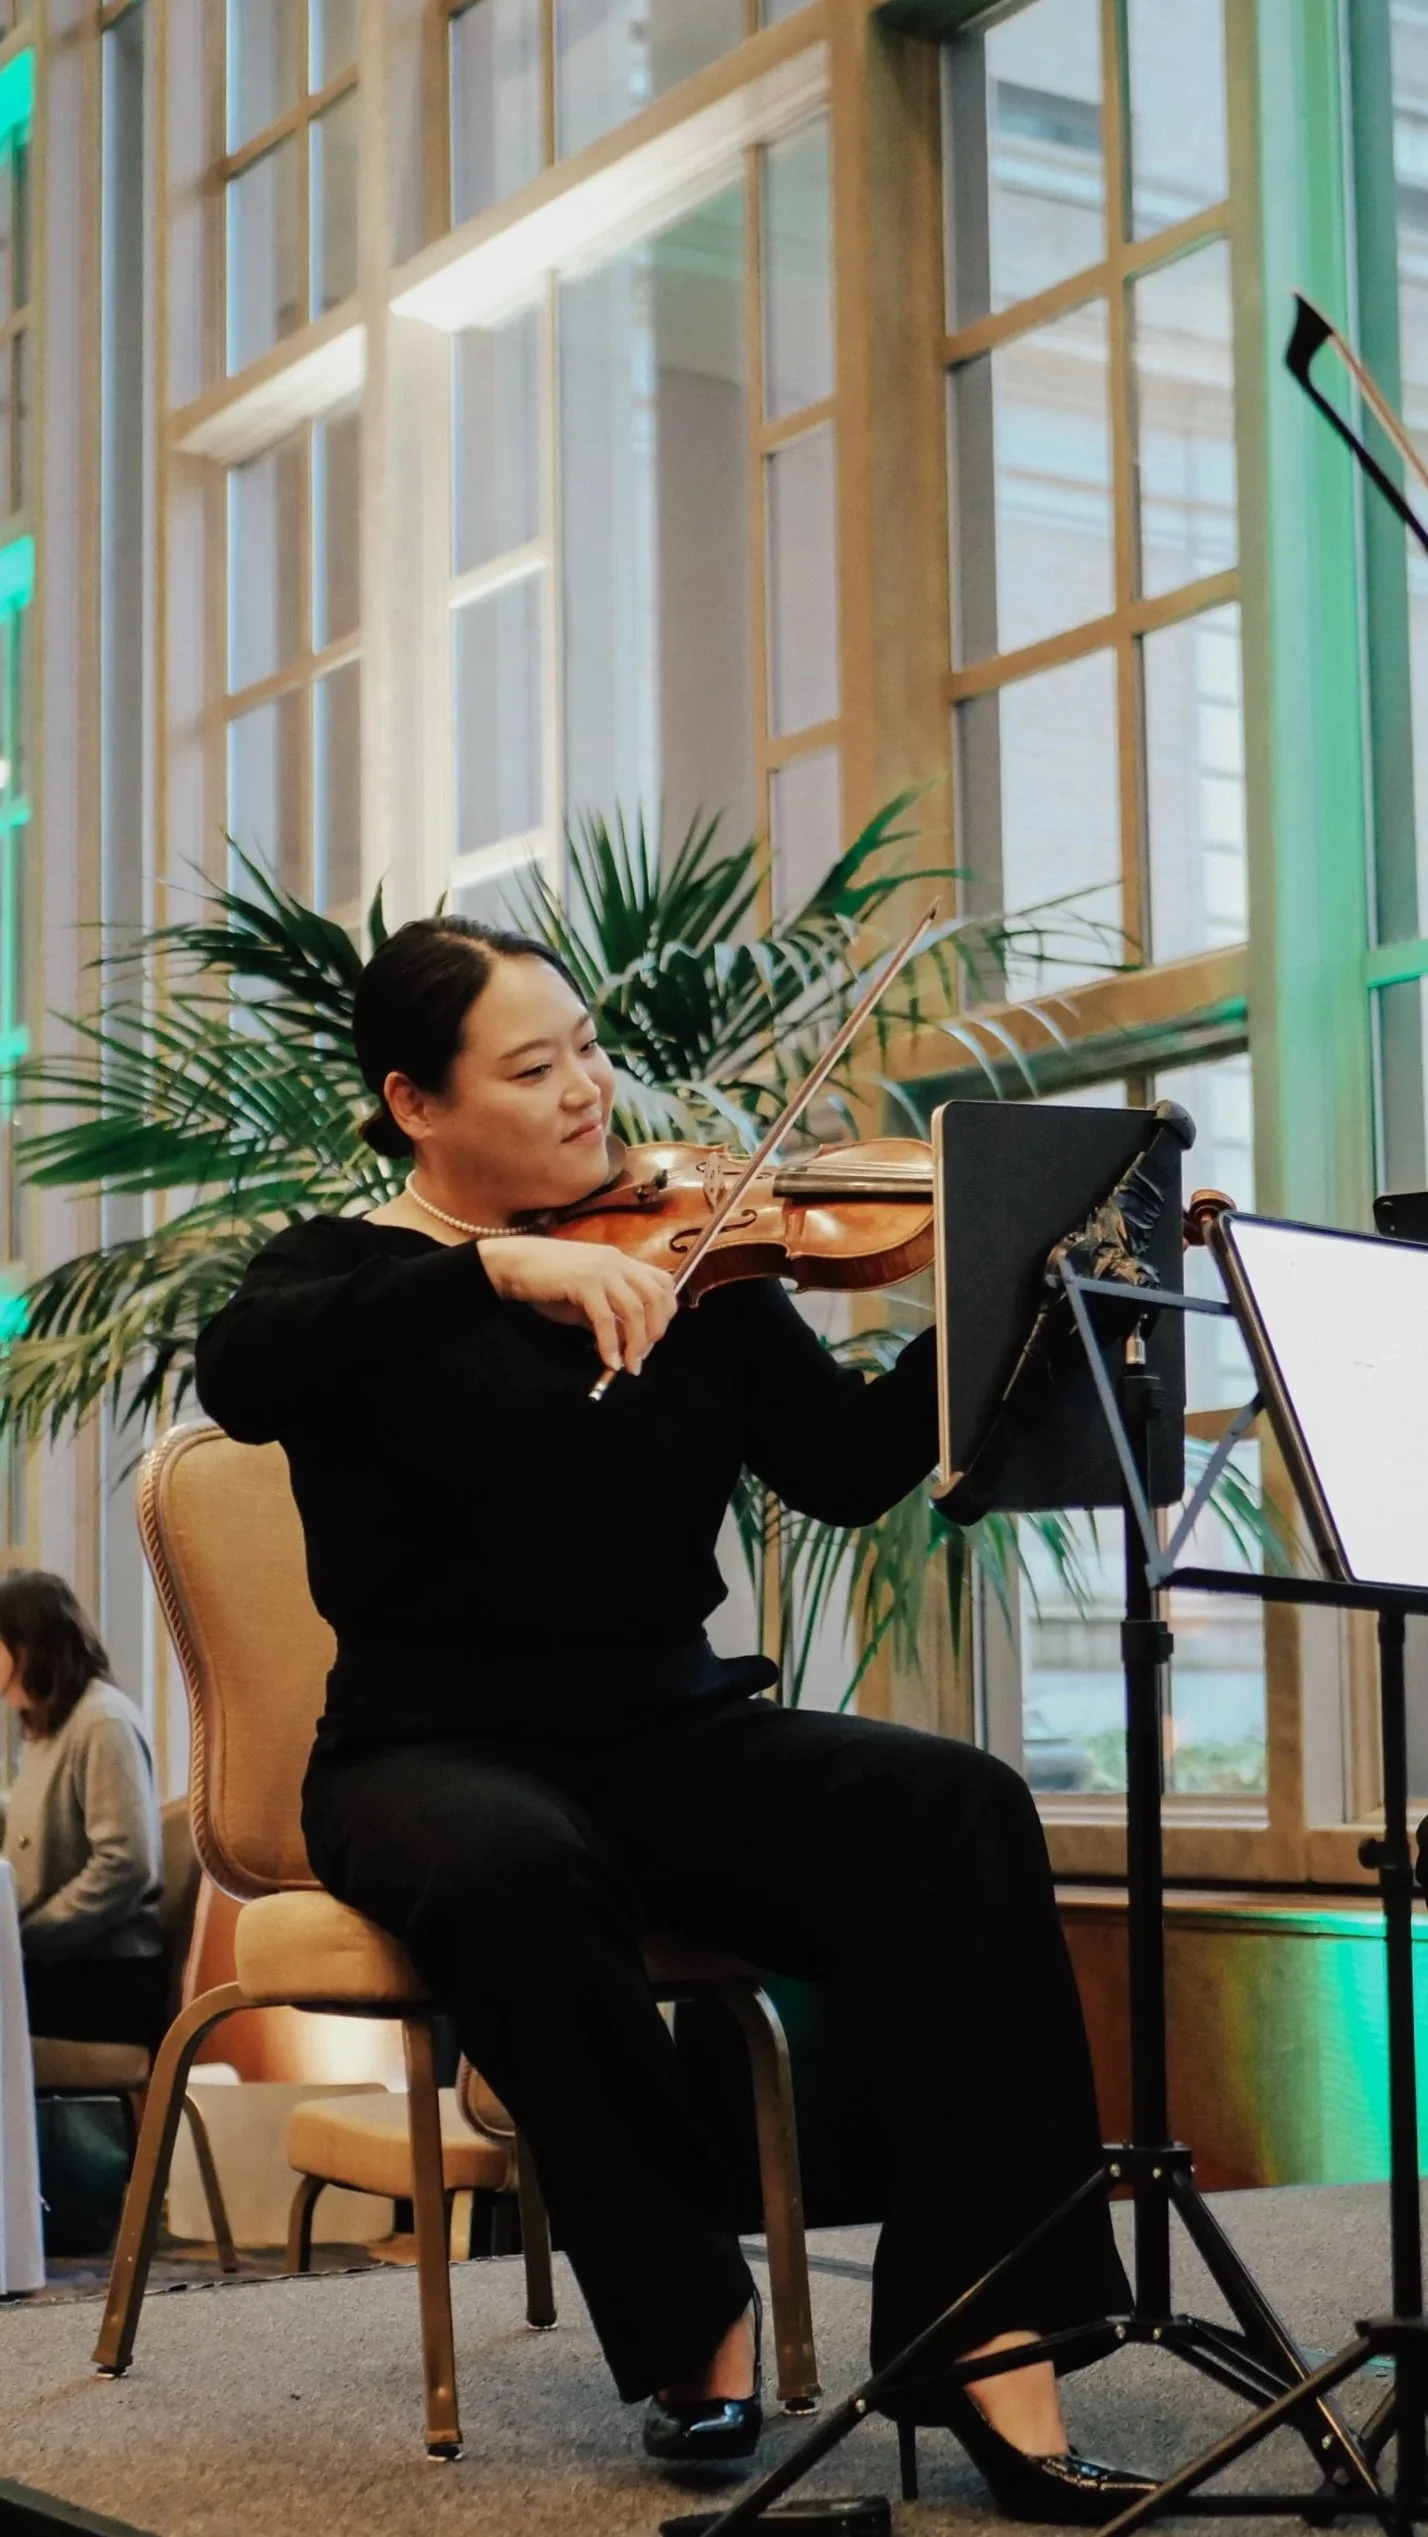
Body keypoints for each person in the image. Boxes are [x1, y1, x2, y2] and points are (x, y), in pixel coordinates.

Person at [192, 916, 1150, 2520]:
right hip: (428, 1755)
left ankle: (991, 2334)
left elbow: (840, 1473)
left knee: (954, 1804)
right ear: (415, 1102)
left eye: (585, 1045)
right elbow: (242, 1372)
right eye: (531, 1065)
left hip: (671, 1736)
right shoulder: (342, 1273)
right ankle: (693, 2316)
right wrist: (493, 1265)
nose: (587, 1087)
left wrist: (1002, 1313)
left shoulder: (692, 1253)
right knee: (512, 1864)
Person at [0, 1573, 166, 2051]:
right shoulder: (48, 1729)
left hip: (107, 1975)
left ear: (28, 1645)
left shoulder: (102, 1721)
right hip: (68, 1962)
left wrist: (28, 1939)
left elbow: (126, 1864)